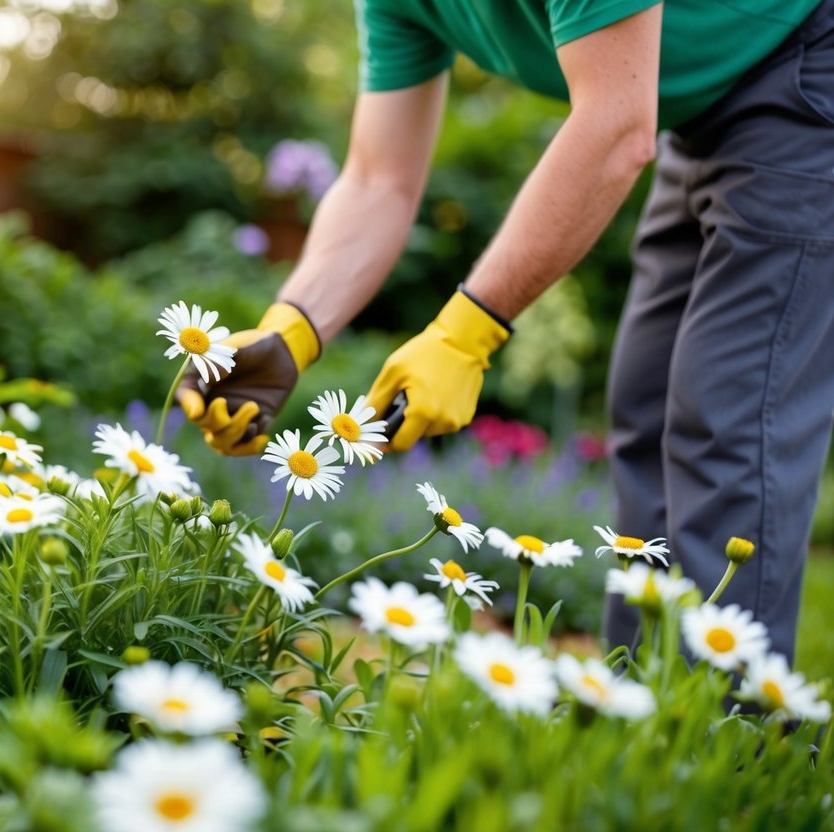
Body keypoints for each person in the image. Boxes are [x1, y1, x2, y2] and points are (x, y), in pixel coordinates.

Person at [176, 0, 834, 662]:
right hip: (694, 108)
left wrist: (464, 334)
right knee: (647, 409)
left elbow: (613, 127)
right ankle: (642, 720)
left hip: (804, 60)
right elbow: (378, 178)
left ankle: (730, 740)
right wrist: (289, 330)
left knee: (728, 420)